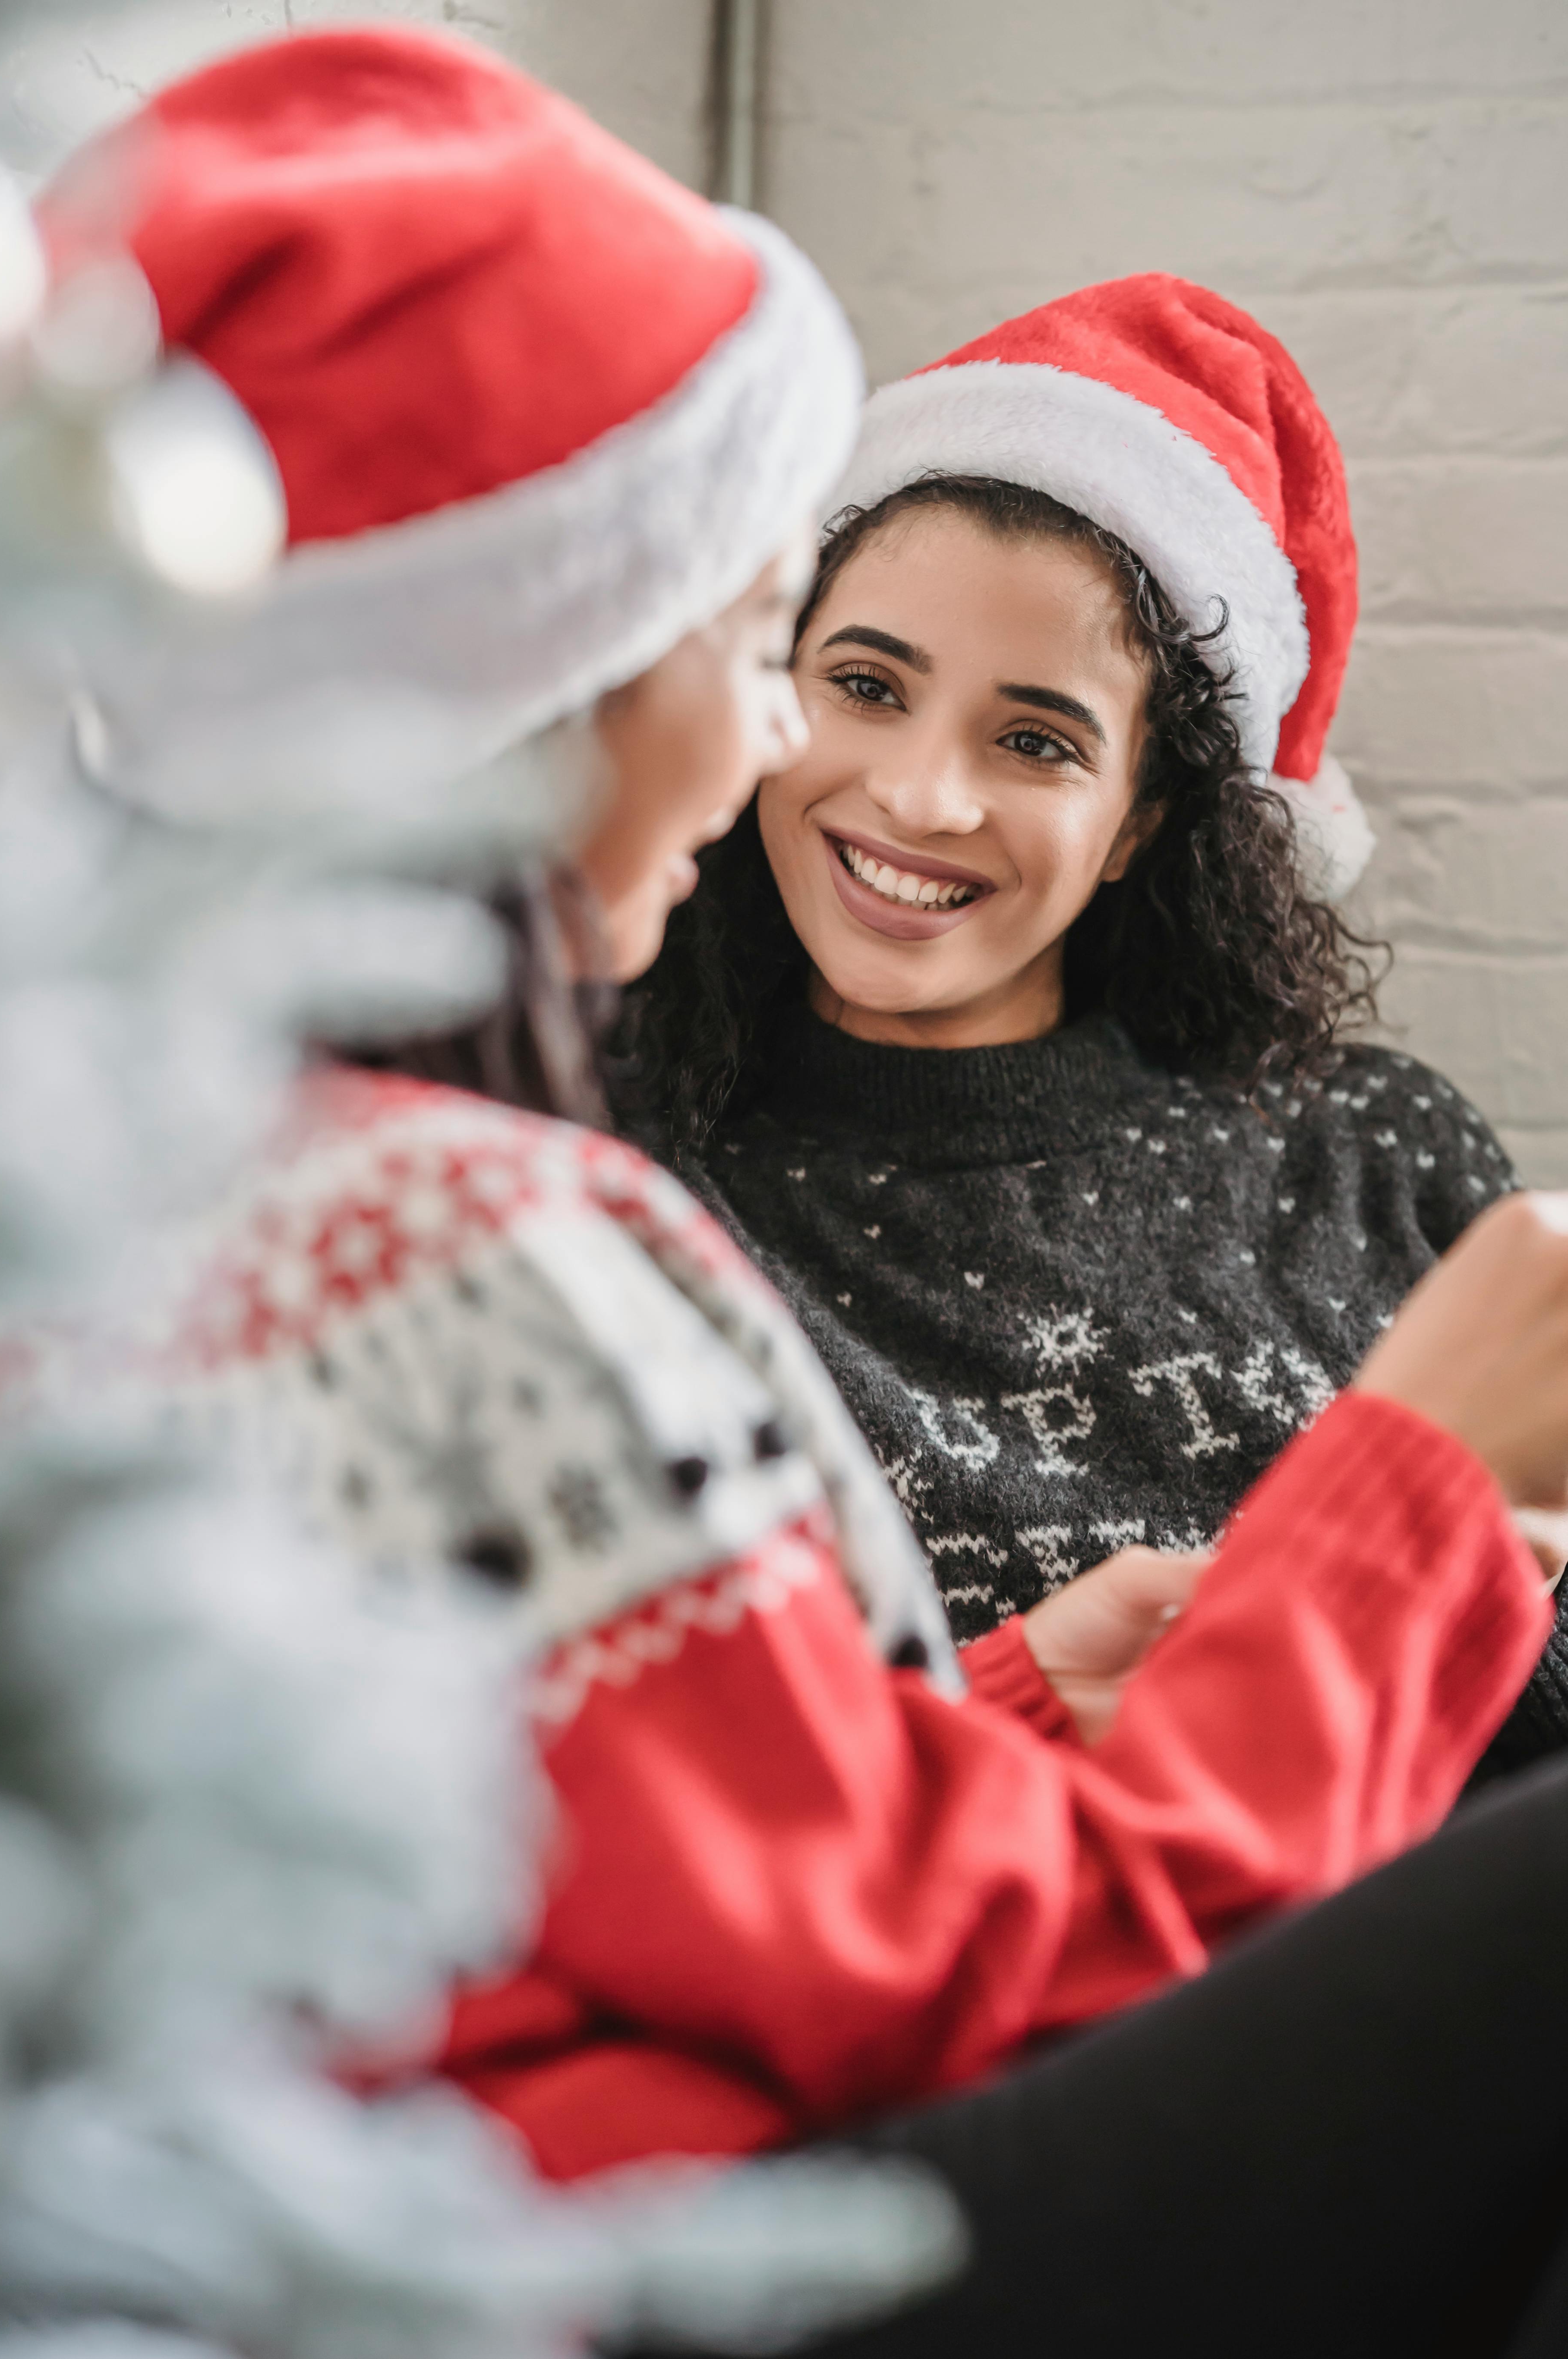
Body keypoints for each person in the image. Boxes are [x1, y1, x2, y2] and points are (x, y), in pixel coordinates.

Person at [67, 30, 1568, 2355]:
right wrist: (1420, 1493)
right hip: (747, 2235)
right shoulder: (493, 1238)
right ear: (547, 653)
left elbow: (621, 1850)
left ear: (1154, 817)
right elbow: (980, 1965)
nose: (813, 753)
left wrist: (1004, 1699)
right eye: (772, 643)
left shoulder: (193, 1178)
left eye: (1033, 737)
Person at [618, 282, 1568, 1775]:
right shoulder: (607, 1163)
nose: (920, 797)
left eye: (1034, 740)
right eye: (864, 685)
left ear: (1140, 823)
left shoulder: (1368, 1145)